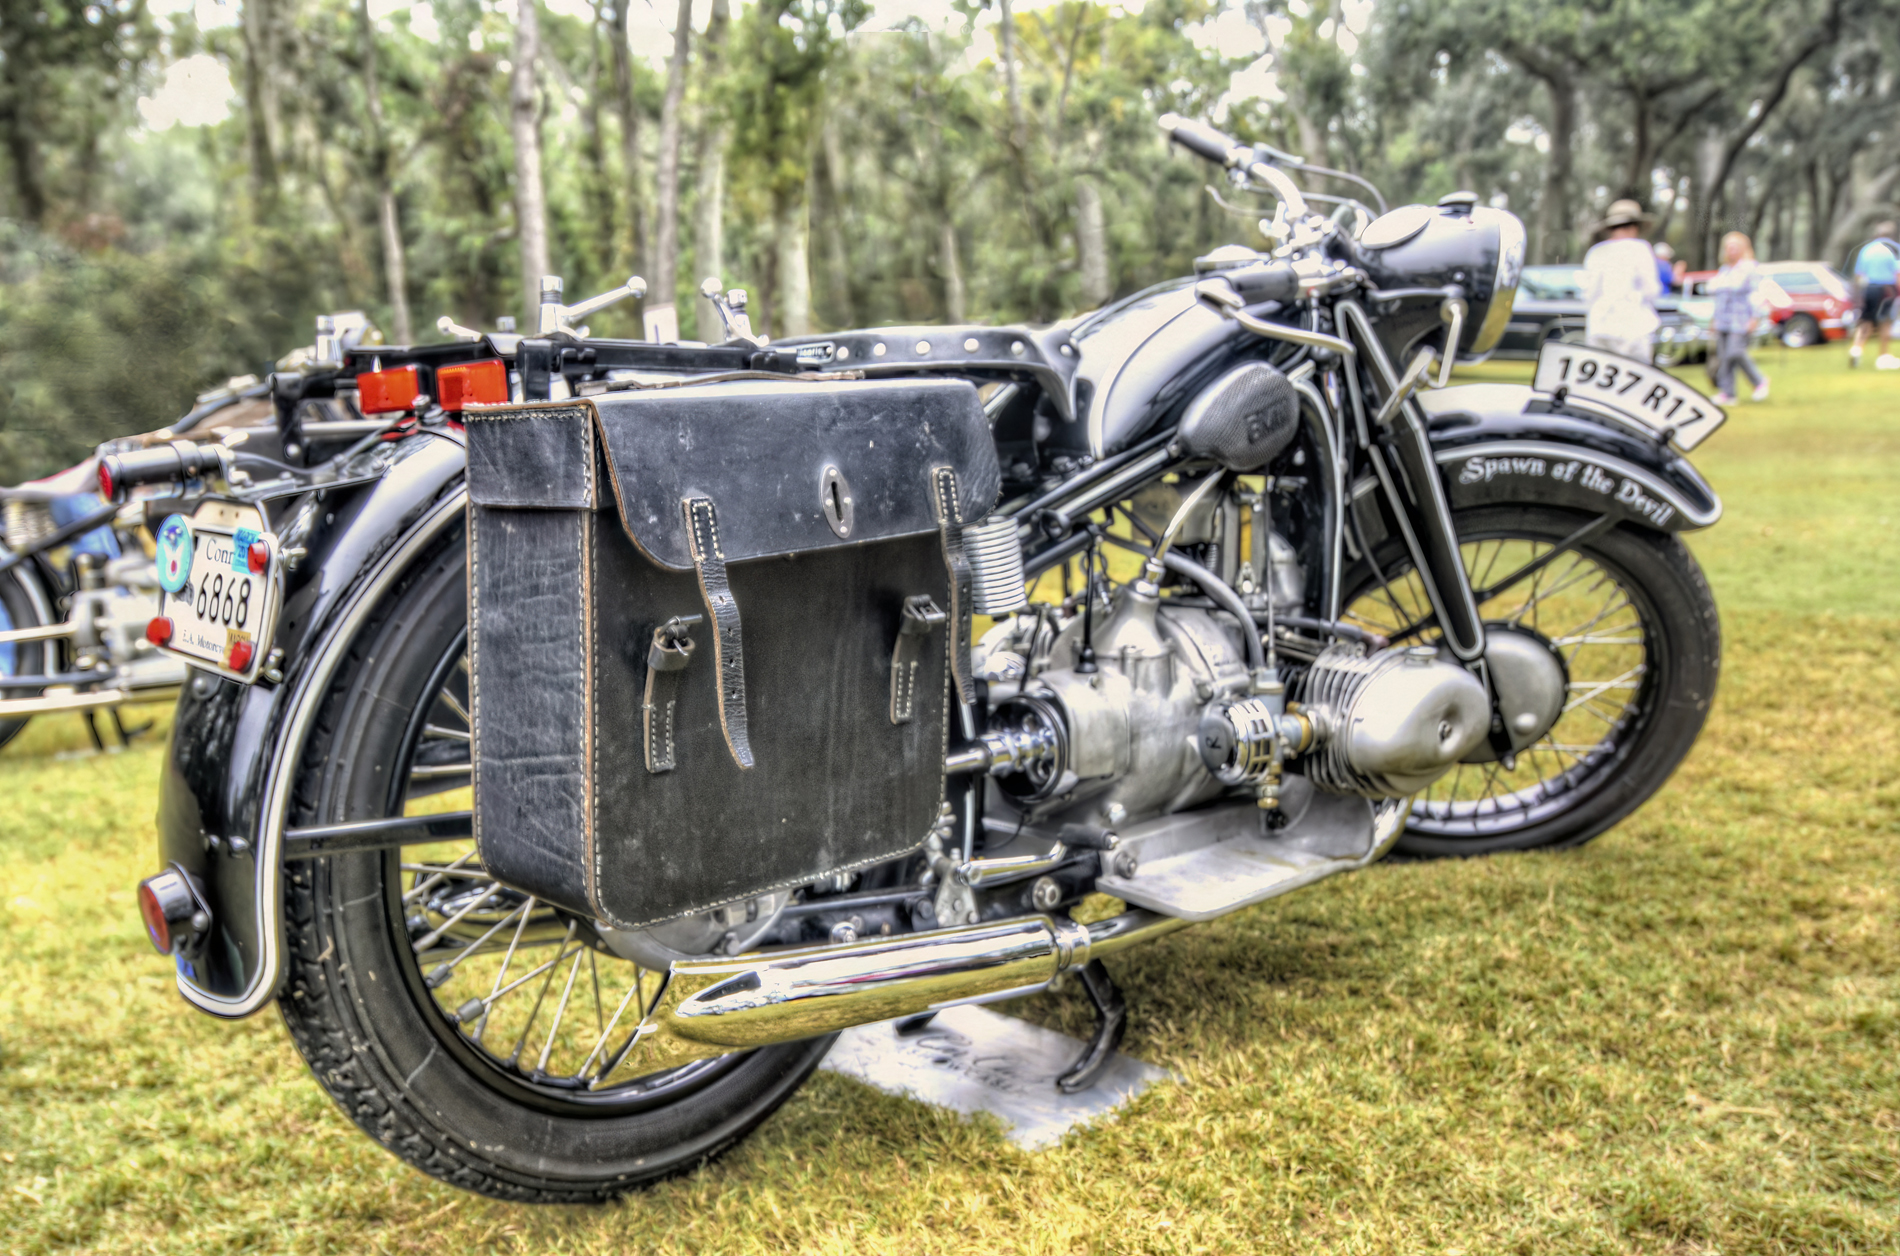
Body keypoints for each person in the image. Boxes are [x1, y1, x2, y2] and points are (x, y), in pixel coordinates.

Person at [1580, 199, 1662, 361]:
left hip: (1600, 326)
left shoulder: (1596, 253)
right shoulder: (1640, 249)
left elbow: (1589, 293)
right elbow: (1651, 289)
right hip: (1632, 328)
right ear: (1634, 227)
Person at [1708, 231, 1770, 405]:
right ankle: (1728, 393)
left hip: (1741, 318)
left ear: (1743, 249)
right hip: (1722, 319)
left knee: (1735, 352)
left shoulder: (1749, 268)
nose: (1731, 250)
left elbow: (1756, 294)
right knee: (1723, 356)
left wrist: (1755, 317)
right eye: (1729, 247)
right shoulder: (1725, 270)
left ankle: (1759, 381)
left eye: (1735, 247)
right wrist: (1713, 320)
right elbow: (1719, 297)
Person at [1849, 222, 1899, 369]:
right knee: (1885, 322)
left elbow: (1858, 275)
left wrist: (1859, 295)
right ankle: (1883, 356)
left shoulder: (1866, 250)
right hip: (1886, 289)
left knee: (1866, 321)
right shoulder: (1893, 250)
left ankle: (1856, 349)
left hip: (1869, 288)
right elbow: (1897, 274)